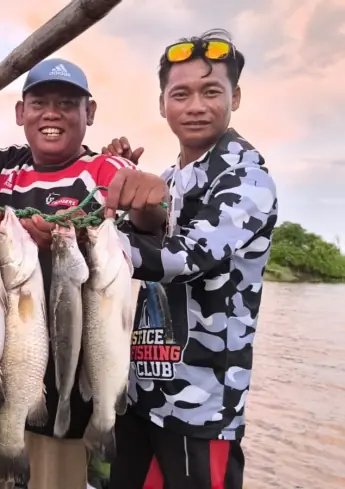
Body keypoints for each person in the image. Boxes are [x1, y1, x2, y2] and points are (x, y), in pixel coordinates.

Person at [0, 57, 168, 489]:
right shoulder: (1, 168)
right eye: (39, 103)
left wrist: (149, 204)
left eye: (67, 103)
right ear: (21, 113)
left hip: (67, 394)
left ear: (89, 113)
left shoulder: (108, 171)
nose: (52, 113)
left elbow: (149, 231)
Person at [103, 28, 278, 489]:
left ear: (235, 97)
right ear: (162, 104)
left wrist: (79, 243)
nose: (195, 105)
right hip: (143, 390)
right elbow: (140, 234)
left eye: (211, 91)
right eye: (180, 93)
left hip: (201, 406)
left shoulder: (247, 177)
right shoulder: (171, 176)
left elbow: (185, 257)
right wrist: (130, 197)